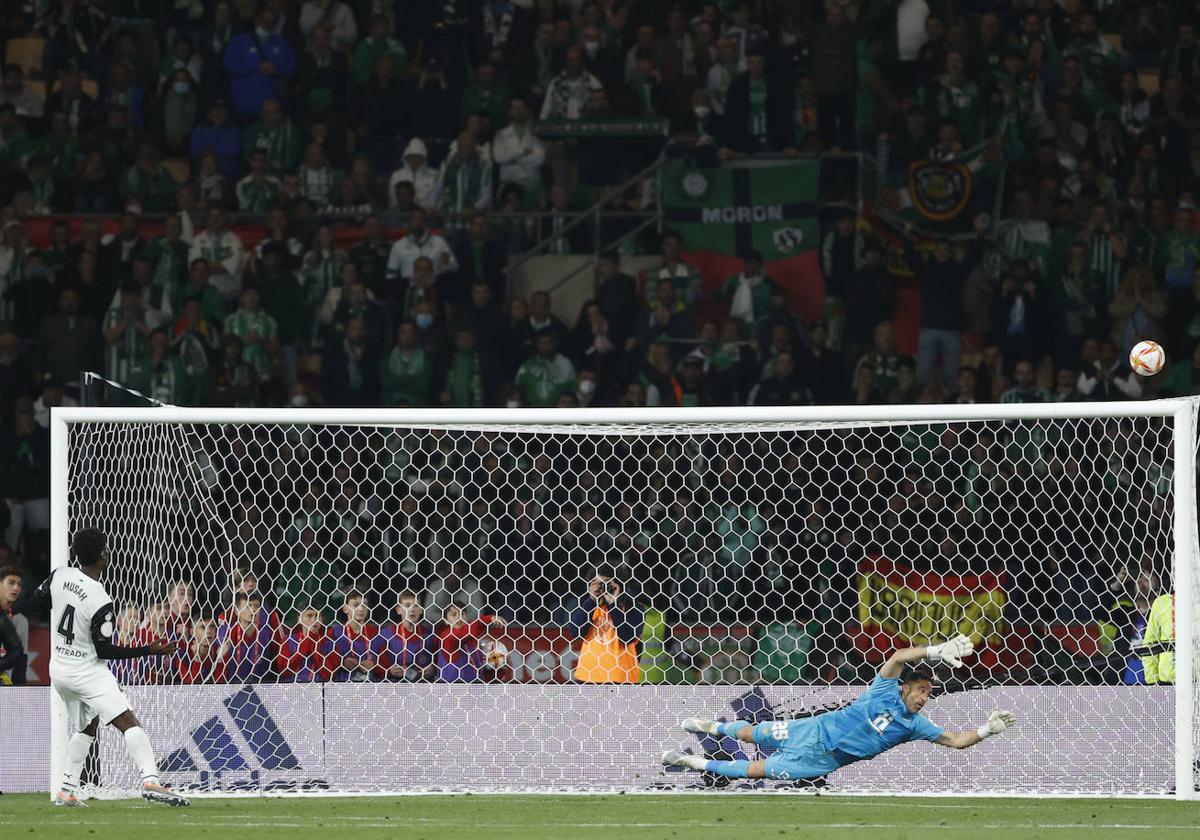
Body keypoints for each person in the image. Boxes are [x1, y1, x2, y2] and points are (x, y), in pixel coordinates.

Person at [662, 635, 1016, 781]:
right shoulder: (882, 692)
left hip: (818, 761)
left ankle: (689, 761)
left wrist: (986, 731)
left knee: (751, 769)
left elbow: (954, 740)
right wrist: (935, 650)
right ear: (905, 687)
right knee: (750, 731)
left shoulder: (914, 725)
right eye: (922, 690)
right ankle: (709, 726)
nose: (925, 698)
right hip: (813, 729)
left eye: (929, 693)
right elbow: (895, 657)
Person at [35, 528, 189, 805]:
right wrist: (148, 650)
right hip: (86, 672)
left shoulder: (59, 575)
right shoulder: (100, 600)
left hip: (59, 670)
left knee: (88, 725)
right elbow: (105, 650)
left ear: (75, 554)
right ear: (104, 556)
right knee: (128, 721)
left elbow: (38, 602)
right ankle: (151, 781)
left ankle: (66, 790)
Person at [571, 570, 642, 684]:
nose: (603, 588)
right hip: (588, 678)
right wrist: (592, 600)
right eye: (598, 583)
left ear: (617, 584)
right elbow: (576, 633)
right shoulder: (588, 606)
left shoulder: (632, 607)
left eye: (607, 584)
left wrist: (612, 604)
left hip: (622, 678)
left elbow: (627, 637)